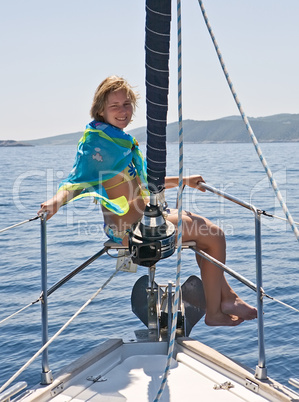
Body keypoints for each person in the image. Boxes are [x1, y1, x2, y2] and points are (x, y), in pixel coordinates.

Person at [38, 75, 257, 326]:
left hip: (145, 219)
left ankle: (227, 298)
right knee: (215, 234)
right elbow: (77, 181)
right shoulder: (96, 145)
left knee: (202, 229)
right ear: (100, 110)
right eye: (115, 106)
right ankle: (217, 311)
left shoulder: (117, 141)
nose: (123, 111)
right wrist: (55, 202)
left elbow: (143, 184)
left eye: (127, 104)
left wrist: (183, 180)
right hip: (132, 230)